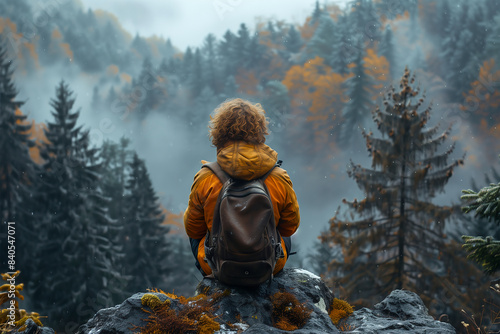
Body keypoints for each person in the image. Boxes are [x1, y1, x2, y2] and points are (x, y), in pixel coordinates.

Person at [184, 98, 300, 277]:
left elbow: (193, 230)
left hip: (219, 266)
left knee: (195, 234)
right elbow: (289, 228)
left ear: (219, 134)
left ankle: (214, 282)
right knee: (282, 231)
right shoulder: (278, 176)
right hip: (267, 265)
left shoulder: (206, 177)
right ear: (260, 132)